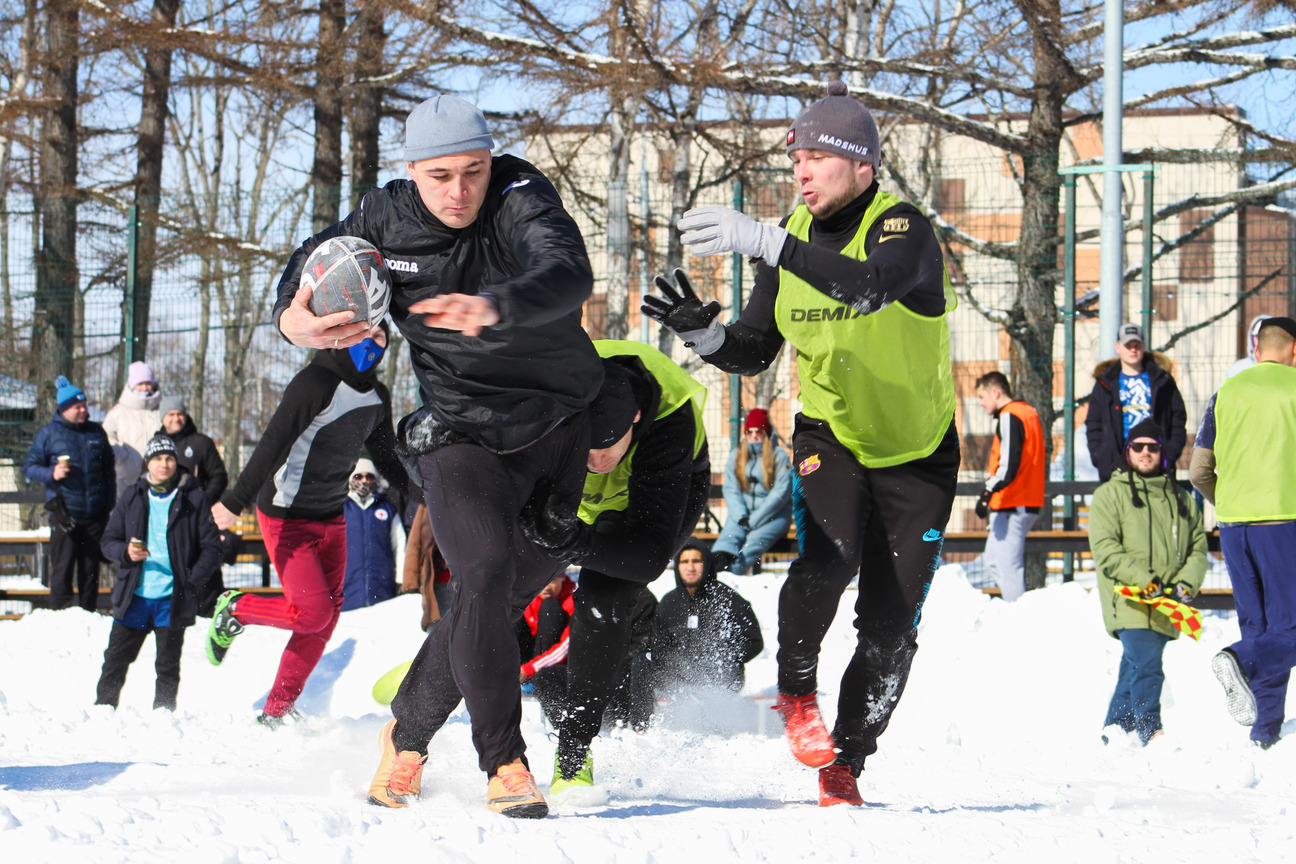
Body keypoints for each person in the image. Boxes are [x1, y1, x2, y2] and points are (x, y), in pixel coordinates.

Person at [272, 94, 603, 818]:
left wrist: (497, 306)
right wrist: (292, 319)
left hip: (557, 430)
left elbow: (569, 272)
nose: (459, 192)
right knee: (481, 572)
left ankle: (408, 733)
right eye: (441, 176)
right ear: (412, 172)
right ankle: (505, 763)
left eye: (473, 171)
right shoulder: (384, 218)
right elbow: (306, 266)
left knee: (496, 601)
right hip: (459, 433)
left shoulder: (519, 197)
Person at [642, 80, 961, 808]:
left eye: (819, 156)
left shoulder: (902, 230)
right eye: (797, 160)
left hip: (918, 454)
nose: (803, 172)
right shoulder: (782, 242)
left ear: (863, 168)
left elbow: (869, 288)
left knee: (889, 628)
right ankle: (794, 690)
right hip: (831, 433)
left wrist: (765, 240)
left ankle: (847, 761)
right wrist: (706, 335)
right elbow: (756, 350)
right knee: (832, 551)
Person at [522, 342, 710, 802]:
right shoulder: (548, 396)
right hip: (563, 469)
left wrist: (578, 544)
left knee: (603, 600)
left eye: (605, 449)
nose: (595, 462)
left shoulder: (669, 418)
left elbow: (647, 556)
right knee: (498, 581)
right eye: (587, 449)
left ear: (634, 421)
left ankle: (574, 751)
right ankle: (414, 735)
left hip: (648, 500)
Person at [205, 322, 407, 729]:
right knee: (311, 613)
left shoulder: (376, 396)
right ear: (340, 337)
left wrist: (433, 495)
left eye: (381, 336)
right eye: (363, 333)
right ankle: (237, 607)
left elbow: (388, 461)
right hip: (286, 514)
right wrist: (234, 500)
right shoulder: (314, 382)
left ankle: (276, 711)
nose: (372, 343)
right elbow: (272, 444)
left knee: (325, 619)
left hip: (332, 515)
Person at [1190, 315, 1296, 750]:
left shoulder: (1225, 393)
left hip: (1234, 527)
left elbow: (1198, 471)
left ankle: (1264, 732)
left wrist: (1230, 502)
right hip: (1283, 520)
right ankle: (1240, 660)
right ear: (1294, 350)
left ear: (1257, 351)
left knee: (1260, 627)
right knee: (1286, 630)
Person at [1088, 419, 1207, 745]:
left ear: (1162, 453)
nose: (1145, 452)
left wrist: (1186, 583)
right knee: (1148, 664)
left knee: (1134, 668)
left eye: (1152, 447)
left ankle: (1114, 733)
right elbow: (1106, 549)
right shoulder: (1110, 495)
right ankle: (1150, 731)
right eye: (1138, 446)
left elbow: (1198, 548)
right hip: (1128, 598)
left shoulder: (1182, 499)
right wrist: (1145, 580)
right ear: (1128, 452)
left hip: (1167, 601)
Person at [94, 436, 223, 710]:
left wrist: (191, 582)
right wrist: (126, 553)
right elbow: (108, 541)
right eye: (157, 458)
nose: (163, 464)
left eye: (169, 458)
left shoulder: (194, 498)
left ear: (176, 462)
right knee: (115, 661)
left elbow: (212, 547)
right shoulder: (132, 495)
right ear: (147, 463)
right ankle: (103, 714)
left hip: (173, 598)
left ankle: (163, 719)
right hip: (134, 595)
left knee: (167, 667)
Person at [24, 376, 116, 611]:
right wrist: (52, 473)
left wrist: (107, 505)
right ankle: (59, 614)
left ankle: (89, 613)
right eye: (77, 406)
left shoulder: (97, 432)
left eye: (84, 405)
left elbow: (108, 470)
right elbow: (30, 468)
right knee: (62, 569)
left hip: (95, 514)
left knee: (90, 569)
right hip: (64, 512)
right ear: (64, 409)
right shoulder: (48, 434)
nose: (83, 410)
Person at [653, 539, 763, 694]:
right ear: (677, 566)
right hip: (677, 693)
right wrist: (676, 668)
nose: (690, 567)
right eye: (684, 561)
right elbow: (658, 647)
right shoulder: (668, 603)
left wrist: (724, 659)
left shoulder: (728, 599)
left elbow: (754, 641)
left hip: (722, 691)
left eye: (696, 561)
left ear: (707, 563)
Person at [973, 371, 1046, 602]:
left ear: (995, 392)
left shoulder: (1009, 415)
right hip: (1021, 501)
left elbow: (1007, 465)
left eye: (982, 396)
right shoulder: (1028, 412)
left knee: (1007, 567)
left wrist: (987, 493)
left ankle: (1016, 618)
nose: (981, 403)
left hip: (1013, 502)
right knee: (993, 561)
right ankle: (1012, 611)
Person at [1085, 323, 1186, 483]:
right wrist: (1101, 456)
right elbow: (1094, 423)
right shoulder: (1105, 383)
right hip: (1116, 463)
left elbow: (1178, 418)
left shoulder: (1162, 380)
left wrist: (1169, 453)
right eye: (1128, 345)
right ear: (1118, 347)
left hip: (1155, 461)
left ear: (1144, 346)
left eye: (1137, 345)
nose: (1133, 350)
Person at [710, 408, 793, 576]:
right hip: (743, 514)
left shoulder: (779, 456)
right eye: (749, 432)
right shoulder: (737, 455)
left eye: (759, 431)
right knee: (728, 538)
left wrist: (753, 520)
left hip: (774, 516)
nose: (754, 436)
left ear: (766, 433)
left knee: (753, 543)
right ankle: (715, 570)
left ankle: (732, 575)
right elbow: (731, 489)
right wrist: (741, 516)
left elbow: (780, 494)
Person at [342, 458, 407, 611]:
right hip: (347, 590)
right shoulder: (341, 508)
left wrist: (400, 579)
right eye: (359, 476)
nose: (364, 481)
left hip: (382, 587)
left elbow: (400, 544)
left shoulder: (387, 509)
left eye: (369, 476)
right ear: (351, 479)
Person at [517, 573, 576, 729]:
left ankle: (532, 681)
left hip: (555, 664)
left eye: (552, 581)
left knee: (550, 606)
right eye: (542, 582)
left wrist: (528, 670)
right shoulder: (528, 597)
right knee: (512, 618)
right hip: (531, 658)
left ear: (563, 579)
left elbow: (566, 647)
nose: (547, 587)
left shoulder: (574, 601)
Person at [104, 360, 163, 500]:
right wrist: (120, 454)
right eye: (140, 384)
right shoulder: (118, 412)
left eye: (148, 383)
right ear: (131, 386)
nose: (144, 388)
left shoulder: (161, 411)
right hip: (126, 474)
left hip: (158, 475)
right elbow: (107, 436)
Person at [156, 395, 228, 502]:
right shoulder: (156, 445)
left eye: (179, 414)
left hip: (193, 509)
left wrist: (204, 500)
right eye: (171, 414)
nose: (176, 418)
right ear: (163, 418)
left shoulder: (201, 443)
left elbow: (219, 476)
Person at [400, 502, 450, 631]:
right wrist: (411, 581)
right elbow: (415, 543)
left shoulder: (472, 501)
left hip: (467, 582)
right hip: (437, 581)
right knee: (440, 632)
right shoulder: (429, 503)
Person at [1224, 313, 1272, 379]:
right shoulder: (1236, 370)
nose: (1262, 340)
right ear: (1252, 338)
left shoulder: (1283, 369)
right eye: (1258, 336)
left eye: (1266, 336)